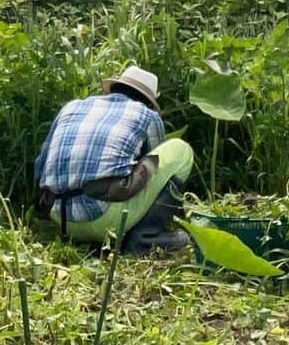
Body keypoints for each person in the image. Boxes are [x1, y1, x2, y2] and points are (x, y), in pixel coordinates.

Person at [34, 64, 194, 254]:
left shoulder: (71, 107)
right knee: (182, 151)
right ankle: (144, 238)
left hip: (61, 218)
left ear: (113, 89)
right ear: (150, 102)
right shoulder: (148, 115)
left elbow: (41, 165)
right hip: (107, 218)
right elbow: (152, 172)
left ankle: (92, 238)